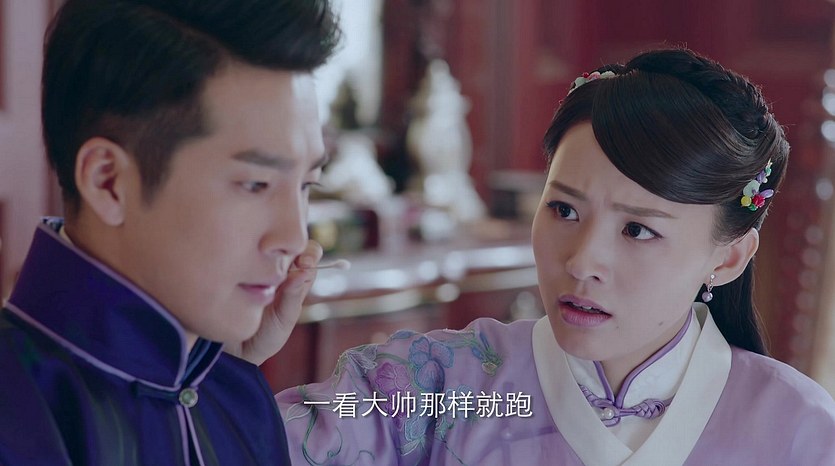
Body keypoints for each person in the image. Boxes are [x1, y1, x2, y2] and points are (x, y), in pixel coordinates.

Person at [275, 48, 835, 465]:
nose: (582, 261)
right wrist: (232, 360)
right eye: (564, 210)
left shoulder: (796, 431)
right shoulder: (441, 388)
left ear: (729, 258)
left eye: (637, 230)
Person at [0, 0, 339, 464]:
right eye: (255, 184)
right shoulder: (17, 416)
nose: (294, 239)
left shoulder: (233, 389)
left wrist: (228, 370)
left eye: (306, 185)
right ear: (108, 182)